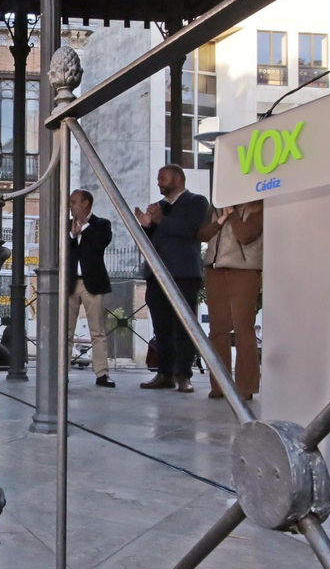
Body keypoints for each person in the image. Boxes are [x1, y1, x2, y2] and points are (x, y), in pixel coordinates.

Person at [134, 164, 209, 392]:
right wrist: (146, 226)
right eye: (158, 178)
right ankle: (164, 373)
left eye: (162, 178)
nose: (159, 182)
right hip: (156, 275)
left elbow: (190, 230)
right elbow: (154, 240)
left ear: (177, 179)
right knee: (161, 326)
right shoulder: (159, 208)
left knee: (184, 326)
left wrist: (159, 221)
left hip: (183, 274)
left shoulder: (197, 202)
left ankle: (183, 375)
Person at [198, 200, 263, 400]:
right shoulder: (216, 207)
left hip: (243, 269)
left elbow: (246, 236)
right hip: (215, 269)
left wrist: (232, 214)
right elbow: (202, 235)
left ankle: (246, 386)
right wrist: (220, 220)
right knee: (218, 329)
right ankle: (219, 384)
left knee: (244, 328)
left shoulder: (257, 207)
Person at [67, 189, 117, 388]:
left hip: (92, 284)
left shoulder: (101, 224)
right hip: (70, 284)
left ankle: (102, 374)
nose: (70, 206)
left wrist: (84, 228)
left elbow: (100, 243)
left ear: (85, 203)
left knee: (97, 331)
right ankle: (61, 372)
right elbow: (60, 248)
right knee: (65, 331)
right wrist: (72, 233)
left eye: (73, 202)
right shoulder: (65, 225)